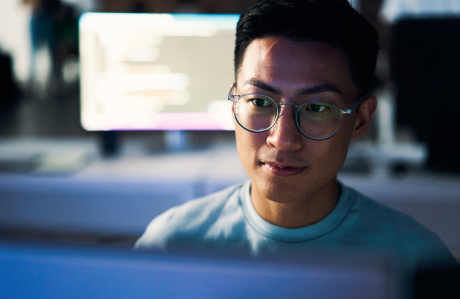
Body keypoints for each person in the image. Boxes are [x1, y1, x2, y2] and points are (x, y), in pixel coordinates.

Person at [135, 0, 457, 269]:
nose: (282, 138)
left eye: (317, 108)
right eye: (260, 102)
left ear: (360, 120)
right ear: (234, 104)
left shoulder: (417, 263)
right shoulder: (170, 247)